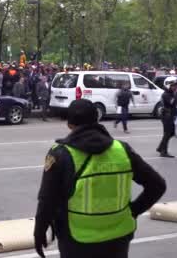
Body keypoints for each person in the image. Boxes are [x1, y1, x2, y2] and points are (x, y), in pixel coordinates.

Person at [34, 99, 166, 258]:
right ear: (97, 120)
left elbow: (47, 200)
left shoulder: (61, 154)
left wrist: (39, 231)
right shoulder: (121, 150)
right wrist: (133, 211)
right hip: (118, 237)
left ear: (69, 124)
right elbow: (157, 185)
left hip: (77, 240)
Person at [157, 77, 177, 158]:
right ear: (168, 85)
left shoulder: (170, 93)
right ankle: (163, 152)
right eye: (173, 85)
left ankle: (160, 148)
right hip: (166, 116)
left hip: (170, 116)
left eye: (175, 85)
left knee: (171, 133)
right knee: (167, 134)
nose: (175, 87)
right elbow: (173, 102)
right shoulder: (166, 94)